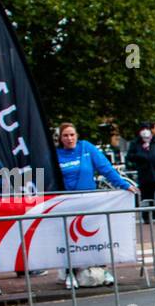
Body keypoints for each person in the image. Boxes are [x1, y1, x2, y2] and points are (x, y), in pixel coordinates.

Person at [56, 122, 137, 288]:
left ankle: (102, 269)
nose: (69, 138)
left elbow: (105, 168)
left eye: (72, 134)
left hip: (90, 202)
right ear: (60, 138)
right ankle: (70, 272)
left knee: (96, 236)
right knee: (71, 239)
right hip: (67, 203)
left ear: (77, 135)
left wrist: (123, 185)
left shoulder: (86, 148)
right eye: (65, 135)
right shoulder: (56, 154)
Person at [126, 123, 155, 221]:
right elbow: (130, 157)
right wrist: (141, 155)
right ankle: (147, 216)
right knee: (145, 196)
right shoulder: (135, 143)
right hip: (144, 174)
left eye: (147, 129)